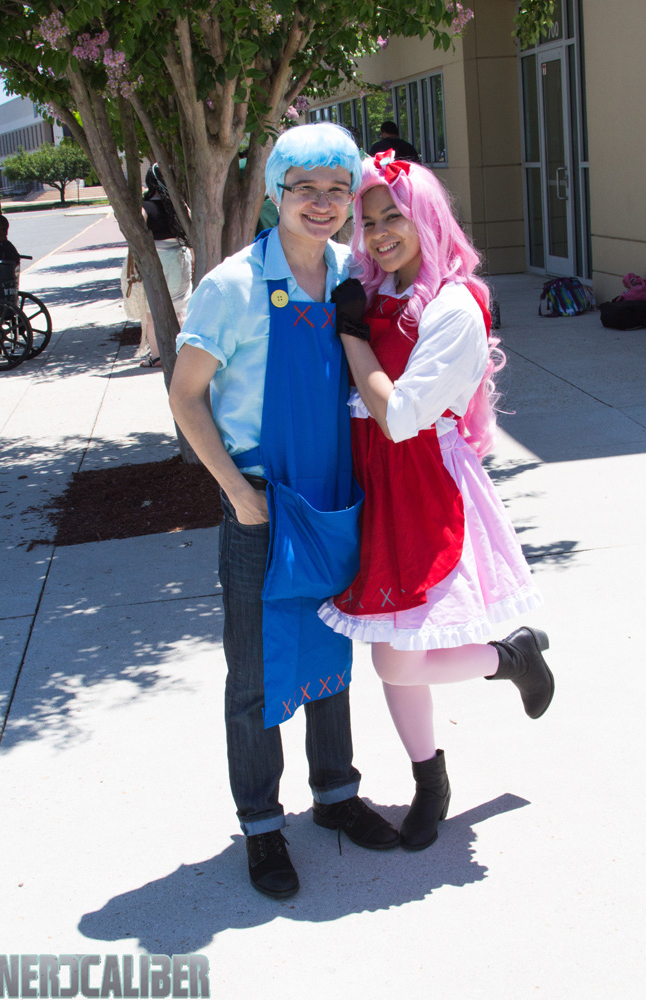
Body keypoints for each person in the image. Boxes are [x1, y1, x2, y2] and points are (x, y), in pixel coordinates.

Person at [168, 123, 400, 900]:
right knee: (254, 675)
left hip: (332, 496)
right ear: (277, 194)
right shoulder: (231, 286)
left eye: (337, 189)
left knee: (332, 652)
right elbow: (185, 396)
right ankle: (261, 824)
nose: (323, 203)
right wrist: (239, 496)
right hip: (262, 506)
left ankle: (335, 794)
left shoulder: (348, 274)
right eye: (306, 188)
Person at [319, 152, 555, 852]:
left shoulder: (453, 306)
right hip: (375, 483)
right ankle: (430, 780)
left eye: (393, 216)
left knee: (396, 658)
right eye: (369, 222)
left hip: (422, 484)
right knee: (393, 651)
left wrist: (351, 336)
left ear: (427, 217)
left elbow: (399, 418)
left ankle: (509, 658)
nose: (380, 233)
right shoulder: (377, 287)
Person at [138, 164, 192, 367]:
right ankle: (187, 353)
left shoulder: (144, 207)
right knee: (182, 310)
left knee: (152, 314)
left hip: (157, 260)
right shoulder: (180, 205)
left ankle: (157, 356)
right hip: (181, 257)